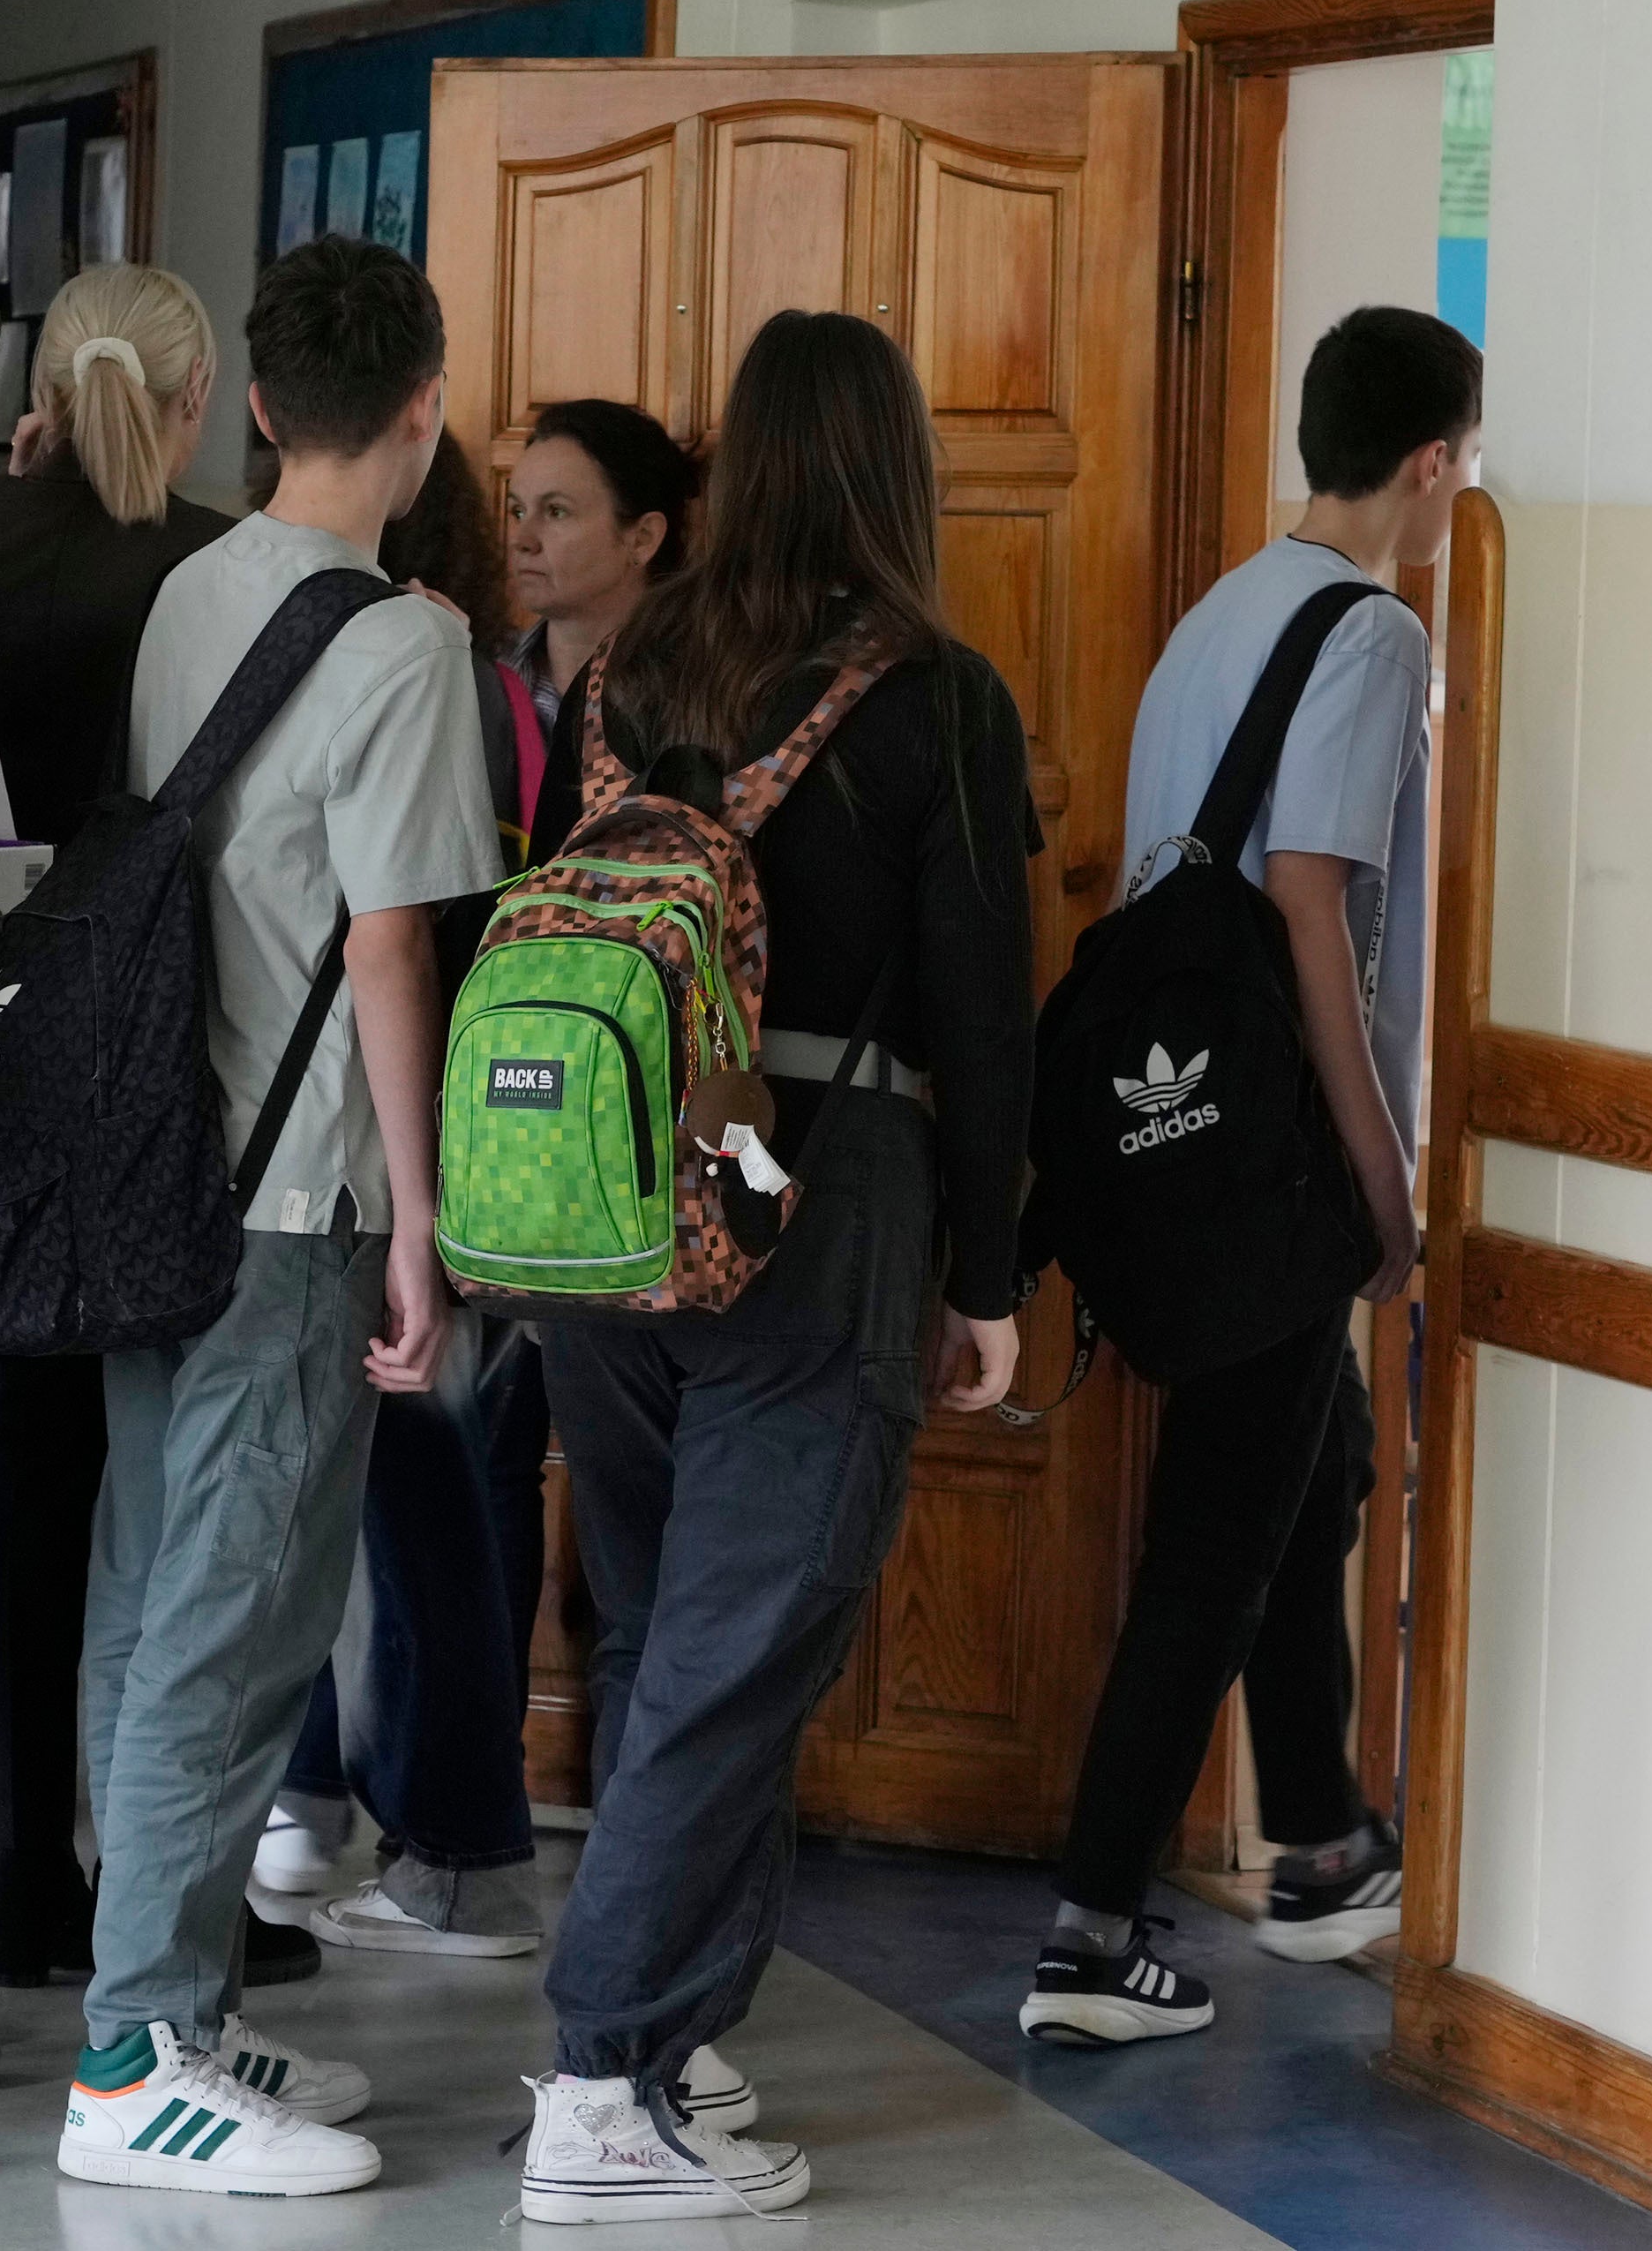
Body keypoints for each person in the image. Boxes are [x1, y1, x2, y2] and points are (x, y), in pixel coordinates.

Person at [514, 311, 1035, 2223]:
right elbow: (989, 1019)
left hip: (603, 1205)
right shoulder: (940, 697)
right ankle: (595, 2082)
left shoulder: (632, 662)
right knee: (741, 1655)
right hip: (817, 1212)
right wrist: (992, 1271)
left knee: (668, 1640)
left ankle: (661, 2047)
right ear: (894, 465)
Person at [56, 234, 497, 2202]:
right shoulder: (406, 645)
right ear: (423, 417)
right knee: (240, 1615)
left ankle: (169, 1991)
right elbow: (393, 945)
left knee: (158, 1586)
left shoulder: (188, 594)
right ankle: (137, 2049)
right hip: (297, 1188)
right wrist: (418, 1216)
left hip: (158, 1167)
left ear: (248, 408)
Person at [1019, 305, 1474, 2048]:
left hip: (1164, 1141)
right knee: (1223, 1531)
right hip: (1273, 1165)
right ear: (1430, 461)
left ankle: (1317, 1840)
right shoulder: (1367, 634)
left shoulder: (1224, 609)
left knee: (1311, 1462)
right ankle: (1087, 1927)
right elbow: (1308, 903)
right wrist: (1380, 1183)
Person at [0, 260, 238, 1989]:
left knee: (19, 1455)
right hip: (173, 1048)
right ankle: (172, 1871)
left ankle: (32, 1870)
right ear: (194, 400)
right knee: (184, 1475)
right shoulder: (222, 562)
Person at [263, 428, 549, 1966]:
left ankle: (452, 1832)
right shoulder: (478, 678)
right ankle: (340, 1791)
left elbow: (405, 935)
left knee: (414, 1485)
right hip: (454, 1127)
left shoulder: (431, 668)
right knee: (387, 1480)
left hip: (416, 1135)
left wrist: (417, 1203)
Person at [506, 399, 699, 854]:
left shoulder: (698, 695)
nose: (522, 539)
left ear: (642, 538)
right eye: (517, 511)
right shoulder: (486, 682)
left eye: (555, 512)